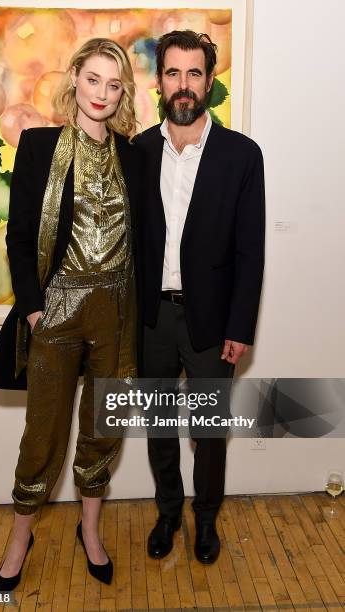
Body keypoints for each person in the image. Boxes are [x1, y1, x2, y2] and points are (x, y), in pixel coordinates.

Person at [0, 38, 140, 589]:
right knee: (42, 434)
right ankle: (20, 536)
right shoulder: (38, 145)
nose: (102, 93)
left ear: (123, 92)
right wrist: (31, 310)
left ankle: (90, 531)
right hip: (55, 313)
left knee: (104, 428)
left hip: (116, 314)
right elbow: (20, 234)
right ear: (75, 77)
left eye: (113, 84)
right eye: (93, 78)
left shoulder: (133, 153)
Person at [136, 30, 265, 563]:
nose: (183, 85)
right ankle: (168, 513)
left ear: (210, 81)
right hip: (152, 321)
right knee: (159, 428)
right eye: (173, 73)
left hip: (213, 322)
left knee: (210, 433)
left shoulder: (242, 155)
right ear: (159, 81)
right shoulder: (139, 151)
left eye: (194, 73)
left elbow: (250, 252)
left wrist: (240, 328)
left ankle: (205, 519)